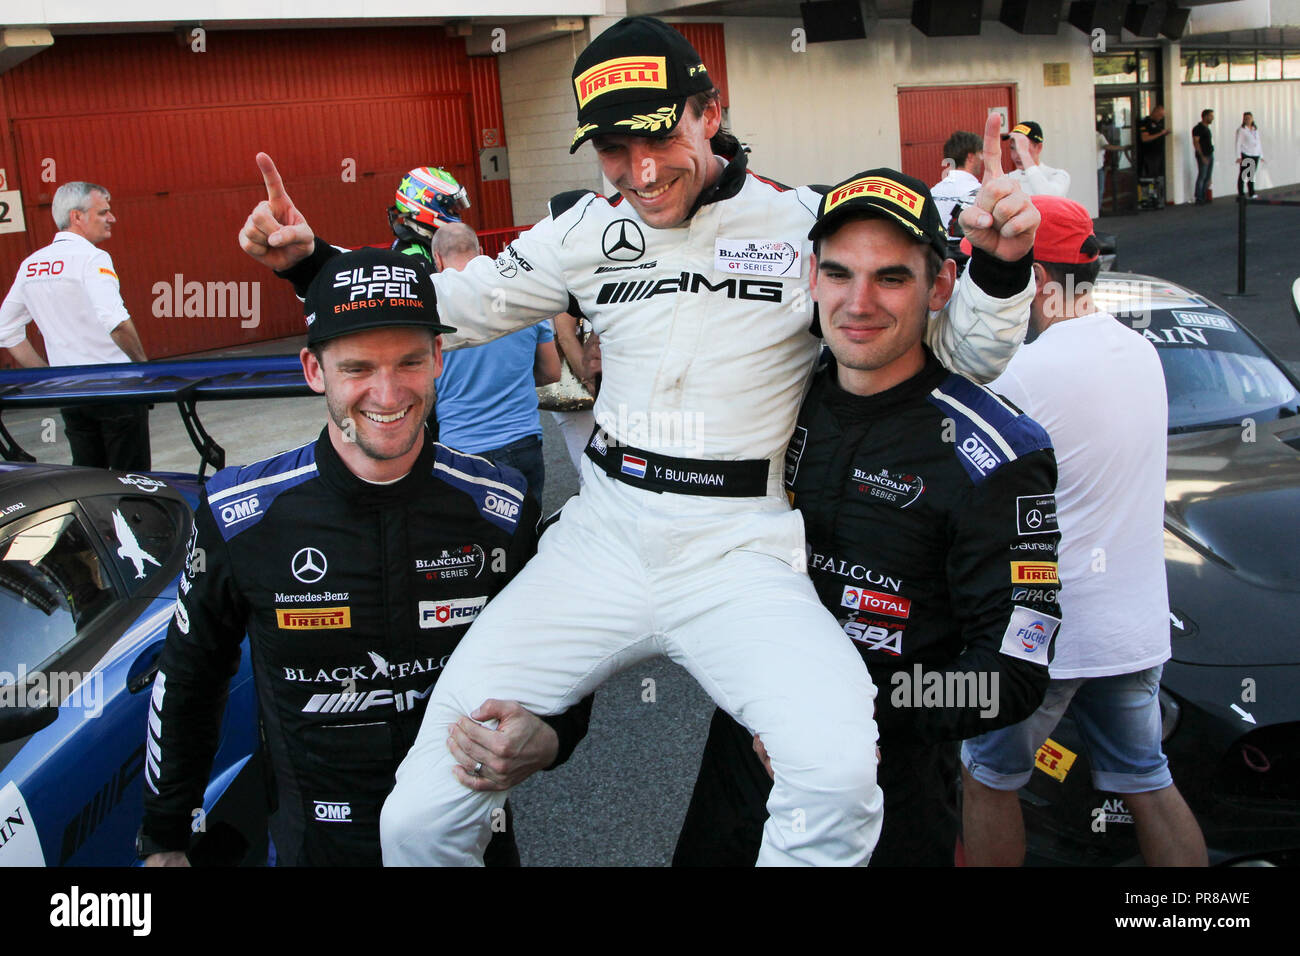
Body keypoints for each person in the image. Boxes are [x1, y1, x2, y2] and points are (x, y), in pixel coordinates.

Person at [240, 15, 1041, 866]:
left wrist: (996, 267)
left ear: (708, 110)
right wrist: (312, 263)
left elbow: (955, 353)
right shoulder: (585, 230)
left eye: (657, 135)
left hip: (742, 551)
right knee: (419, 819)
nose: (642, 170)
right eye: (614, 149)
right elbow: (455, 302)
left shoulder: (807, 225)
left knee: (837, 775)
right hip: (602, 539)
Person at [137, 248, 589, 867]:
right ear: (313, 370)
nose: (387, 392)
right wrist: (165, 838)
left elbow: (565, 646)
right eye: (357, 367)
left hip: (465, 837)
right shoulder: (242, 516)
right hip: (316, 846)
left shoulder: (500, 506)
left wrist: (557, 736)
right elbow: (189, 678)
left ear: (437, 359)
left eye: (408, 361)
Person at [673, 169, 1062, 867]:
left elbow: (1012, 674)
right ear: (811, 279)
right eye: (839, 273)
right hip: (738, 770)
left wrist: (850, 709)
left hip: (888, 795)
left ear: (938, 288)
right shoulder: (769, 398)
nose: (858, 302)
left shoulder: (999, 455)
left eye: (890, 278)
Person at [959, 196, 1209, 867]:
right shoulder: (1138, 351)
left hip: (1048, 638)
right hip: (1132, 626)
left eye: (1003, 271)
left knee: (988, 779)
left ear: (1036, 278)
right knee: (1147, 780)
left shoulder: (1022, 372)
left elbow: (970, 494)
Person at [0, 181, 151, 470]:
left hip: (71, 393)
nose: (112, 218)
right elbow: (116, 323)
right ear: (77, 217)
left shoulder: (32, 264)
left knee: (87, 475)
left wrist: (50, 377)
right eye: (103, 212)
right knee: (132, 480)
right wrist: (145, 369)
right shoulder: (93, 259)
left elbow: (5, 329)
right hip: (117, 389)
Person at [429, 222, 561, 497]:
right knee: (528, 530)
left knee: (472, 538)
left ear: (437, 260)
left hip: (461, 448)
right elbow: (551, 371)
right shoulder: (518, 300)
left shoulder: (434, 314)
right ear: (480, 251)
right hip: (523, 441)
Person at [931, 130, 983, 231]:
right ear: (971, 157)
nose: (982, 159)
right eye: (980, 154)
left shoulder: (933, 192)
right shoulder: (978, 193)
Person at [1003, 121, 1070, 197]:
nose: (1017, 155)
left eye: (1023, 147)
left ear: (1039, 147)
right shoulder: (1007, 178)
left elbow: (1049, 197)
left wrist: (1025, 156)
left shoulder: (1058, 175)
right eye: (1013, 148)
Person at [1235, 112, 1262, 199]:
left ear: (1252, 119)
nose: (1248, 120)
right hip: (1246, 153)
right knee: (1244, 174)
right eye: (1246, 118)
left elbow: (1258, 142)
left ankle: (1251, 192)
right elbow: (1238, 143)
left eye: (1249, 118)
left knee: (1251, 175)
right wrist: (1238, 156)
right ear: (1243, 119)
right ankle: (1241, 193)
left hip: (1255, 154)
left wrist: (1261, 154)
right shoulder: (1241, 130)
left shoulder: (1255, 129)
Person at [1192, 109, 1214, 205]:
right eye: (1210, 116)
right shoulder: (1198, 128)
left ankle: (1204, 196)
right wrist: (1201, 156)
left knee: (1208, 176)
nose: (1212, 118)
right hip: (1203, 155)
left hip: (1210, 153)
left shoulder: (1207, 128)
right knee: (1202, 175)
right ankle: (1199, 197)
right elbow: (1196, 142)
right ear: (1205, 116)